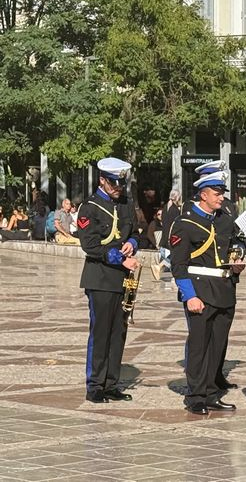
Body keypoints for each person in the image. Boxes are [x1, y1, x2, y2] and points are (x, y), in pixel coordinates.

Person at [169, 171, 244, 415]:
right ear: (203, 195)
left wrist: (237, 260)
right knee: (199, 345)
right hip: (200, 289)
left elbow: (235, 243)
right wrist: (190, 295)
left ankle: (212, 392)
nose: (221, 197)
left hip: (224, 288)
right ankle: (196, 396)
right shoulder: (185, 223)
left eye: (222, 193)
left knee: (217, 345)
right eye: (216, 193)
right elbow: (178, 265)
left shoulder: (224, 220)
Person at [78, 157, 139, 404]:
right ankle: (95, 385)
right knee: (101, 332)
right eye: (114, 183)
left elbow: (135, 233)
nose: (118, 188)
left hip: (122, 279)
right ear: (102, 180)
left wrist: (132, 243)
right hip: (100, 278)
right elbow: (90, 245)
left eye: (121, 184)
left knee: (118, 332)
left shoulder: (126, 203)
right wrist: (119, 258)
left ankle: (112, 383)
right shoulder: (89, 207)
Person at [191, 160, 241, 392]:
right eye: (216, 189)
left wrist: (238, 254)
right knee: (201, 339)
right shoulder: (189, 213)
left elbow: (234, 238)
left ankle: (214, 377)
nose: (221, 195)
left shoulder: (226, 211)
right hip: (202, 283)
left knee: (219, 336)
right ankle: (200, 386)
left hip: (224, 280)